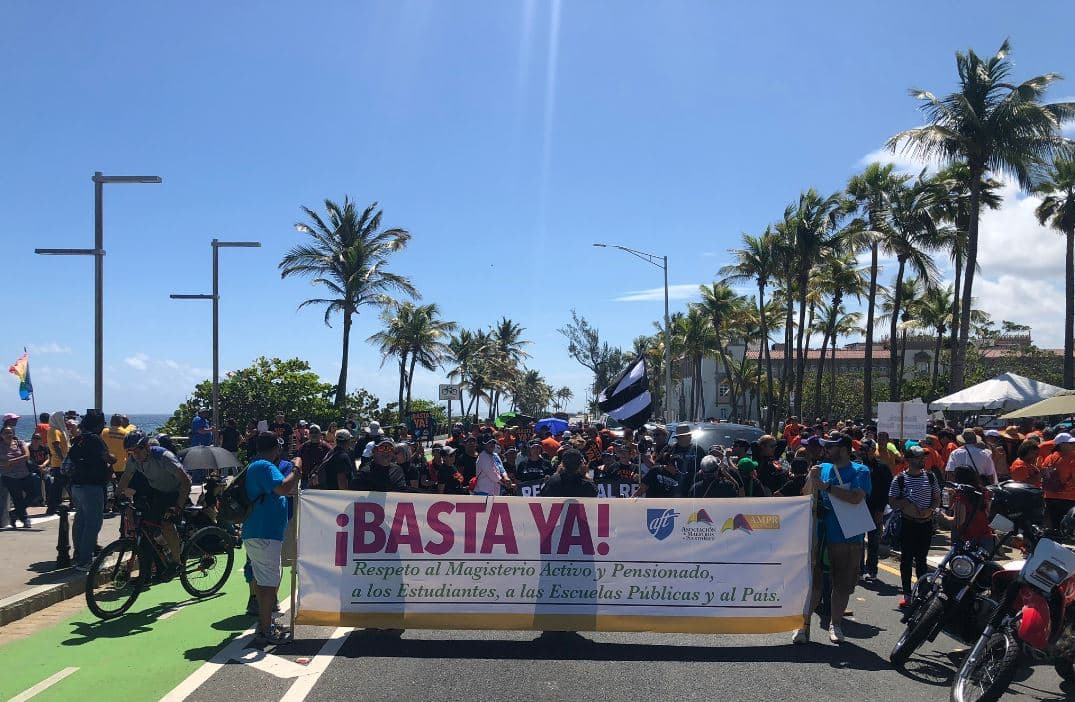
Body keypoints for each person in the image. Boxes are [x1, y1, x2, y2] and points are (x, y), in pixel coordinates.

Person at [794, 432, 871, 645]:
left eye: (831, 446)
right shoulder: (822, 469)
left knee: (842, 583)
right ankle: (803, 625)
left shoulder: (861, 470)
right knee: (814, 583)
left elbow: (856, 497)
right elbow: (805, 495)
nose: (826, 450)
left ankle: (835, 624)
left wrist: (826, 487)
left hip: (849, 535)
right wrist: (812, 479)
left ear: (844, 449)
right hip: (821, 534)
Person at [243, 431, 297, 645]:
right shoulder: (264, 466)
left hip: (260, 531)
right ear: (276, 448)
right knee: (268, 585)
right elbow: (284, 487)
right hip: (264, 533)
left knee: (263, 580)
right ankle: (265, 630)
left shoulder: (255, 465)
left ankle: (265, 623)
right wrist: (297, 470)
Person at [118, 431, 192, 570]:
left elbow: (186, 481)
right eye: (131, 451)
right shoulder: (134, 460)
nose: (136, 454)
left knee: (167, 524)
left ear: (146, 446)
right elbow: (125, 478)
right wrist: (115, 497)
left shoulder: (163, 457)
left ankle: (177, 562)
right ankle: (160, 556)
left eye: (139, 449)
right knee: (145, 525)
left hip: (176, 491)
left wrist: (178, 506)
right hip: (158, 491)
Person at [888, 445, 941, 606]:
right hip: (908, 524)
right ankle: (907, 592)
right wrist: (907, 503)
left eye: (923, 457)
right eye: (918, 458)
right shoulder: (900, 479)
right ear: (909, 460)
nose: (922, 460)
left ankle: (923, 591)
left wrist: (930, 510)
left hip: (925, 524)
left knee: (921, 560)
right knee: (906, 559)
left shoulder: (930, 477)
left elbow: (936, 497)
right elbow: (892, 501)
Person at [67, 412, 113, 570]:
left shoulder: (79, 439)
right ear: (98, 425)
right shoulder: (94, 439)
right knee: (93, 523)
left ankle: (79, 554)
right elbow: (107, 457)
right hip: (92, 486)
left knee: (80, 521)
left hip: (76, 485)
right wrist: (113, 458)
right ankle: (85, 560)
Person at [860, 439, 892, 583]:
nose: (863, 452)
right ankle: (859, 570)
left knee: (873, 542)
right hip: (859, 508)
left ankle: (872, 570)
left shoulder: (882, 468)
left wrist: (881, 509)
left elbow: (887, 490)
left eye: (866, 449)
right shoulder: (857, 466)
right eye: (861, 449)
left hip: (876, 509)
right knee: (859, 542)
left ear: (873, 450)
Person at [0, 424, 33, 528]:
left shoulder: (20, 443)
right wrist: (8, 462)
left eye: (10, 432)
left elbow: (27, 456)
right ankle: (24, 518)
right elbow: (2, 463)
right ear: (1, 435)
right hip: (9, 476)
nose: (8, 435)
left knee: (35, 496)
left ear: (14, 434)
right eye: (5, 433)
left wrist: (10, 461)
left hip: (25, 474)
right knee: (17, 498)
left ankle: (14, 513)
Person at [1041, 432, 1075, 527]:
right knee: (1068, 528)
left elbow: (1043, 474)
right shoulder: (1072, 457)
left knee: (1055, 526)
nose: (1073, 445)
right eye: (1070, 443)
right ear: (1062, 445)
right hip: (1069, 498)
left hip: (1050, 496)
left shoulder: (1049, 458)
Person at [45, 411, 70, 514]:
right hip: (59, 463)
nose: (65, 420)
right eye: (63, 418)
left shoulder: (60, 430)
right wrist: (64, 460)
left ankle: (54, 506)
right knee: (61, 485)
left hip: (61, 463)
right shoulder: (54, 431)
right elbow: (56, 446)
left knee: (59, 486)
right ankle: (52, 506)